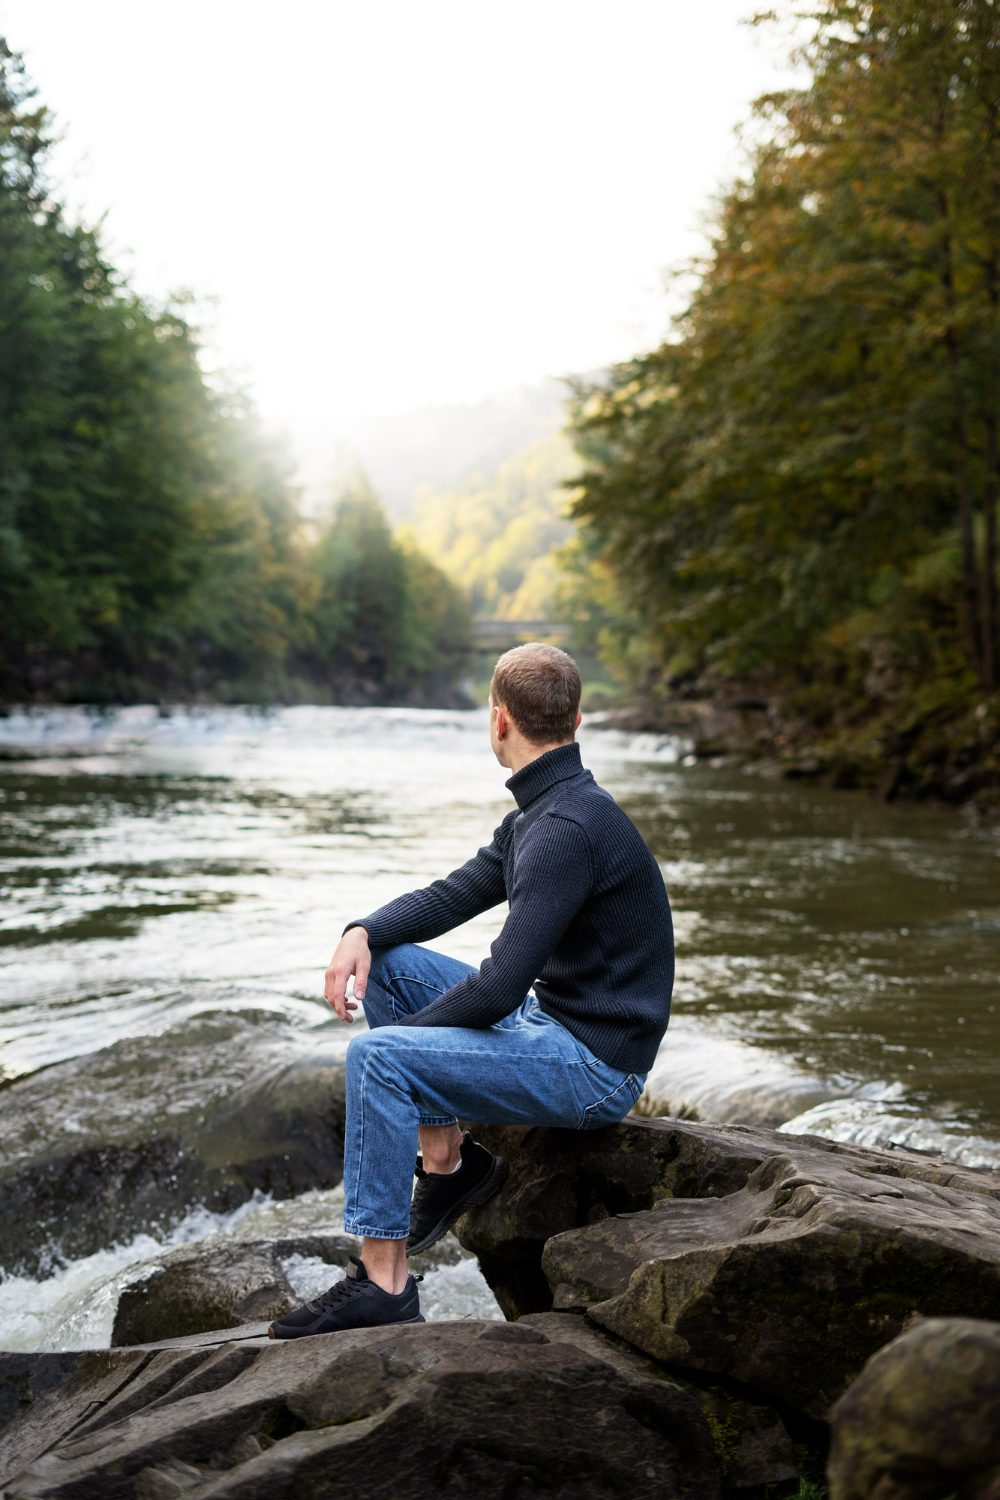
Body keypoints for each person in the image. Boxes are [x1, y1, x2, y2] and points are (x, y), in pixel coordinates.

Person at [268, 643, 674, 1339]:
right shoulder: (542, 814)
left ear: (498, 722)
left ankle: (384, 1282)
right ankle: (447, 1165)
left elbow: (495, 992)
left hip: (596, 1069)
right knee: (390, 962)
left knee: (381, 1059)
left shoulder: (564, 830)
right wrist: (361, 930)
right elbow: (455, 893)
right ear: (577, 719)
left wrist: (404, 1051)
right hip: (558, 1026)